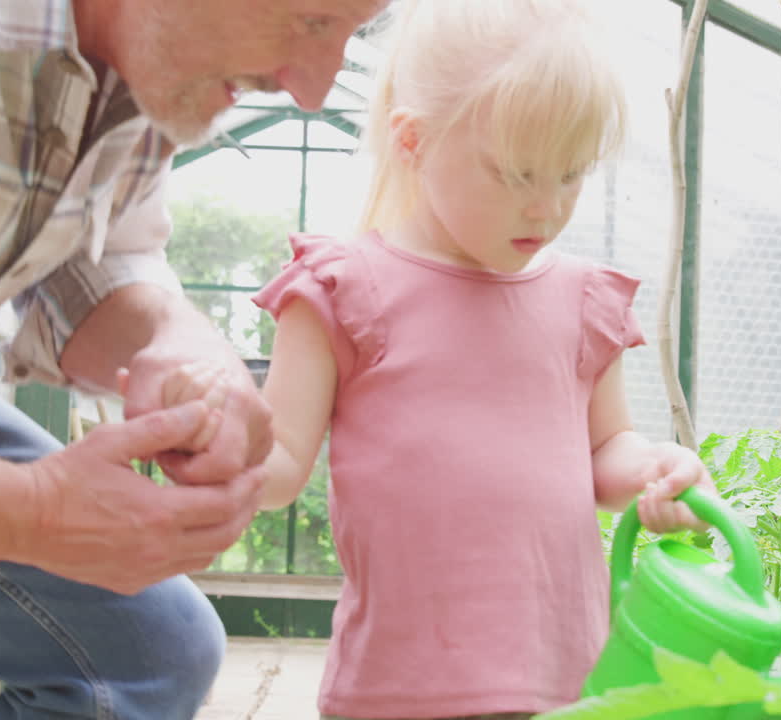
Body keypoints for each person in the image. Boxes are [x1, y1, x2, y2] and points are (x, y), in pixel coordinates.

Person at [0, 1, 387, 718]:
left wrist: (180, 344)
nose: (313, 88)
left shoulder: (150, 60)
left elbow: (100, 258)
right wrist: (32, 514)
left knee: (148, 657)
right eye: (312, 19)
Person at [165, 1, 718, 717]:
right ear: (413, 141)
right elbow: (278, 468)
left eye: (570, 175)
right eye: (515, 174)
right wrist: (217, 440)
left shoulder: (583, 301)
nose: (546, 208)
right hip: (399, 688)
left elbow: (604, 450)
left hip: (562, 683)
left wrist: (654, 470)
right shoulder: (344, 290)